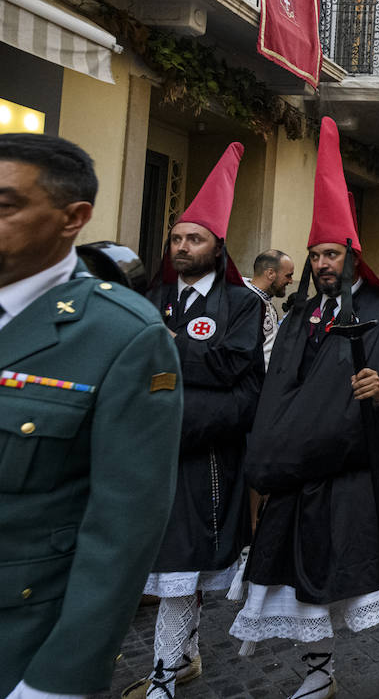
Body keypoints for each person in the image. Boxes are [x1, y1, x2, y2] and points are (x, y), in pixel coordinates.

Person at [229, 118, 379, 697]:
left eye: (332, 254)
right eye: (315, 255)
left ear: (353, 254)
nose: (323, 264)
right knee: (309, 583)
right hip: (306, 473)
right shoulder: (299, 316)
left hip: (367, 468)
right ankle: (320, 675)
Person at [0, 133, 182, 699]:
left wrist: (60, 678)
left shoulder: (122, 335)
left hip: (19, 634)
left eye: (6, 205)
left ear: (72, 218)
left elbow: (122, 529)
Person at [124, 143, 266, 699]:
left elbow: (237, 369)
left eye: (194, 239)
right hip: (144, 455)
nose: (182, 247)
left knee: (184, 565)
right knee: (153, 563)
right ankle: (185, 657)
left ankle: (164, 677)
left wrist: (165, 350)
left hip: (207, 459)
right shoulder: (151, 294)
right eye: (177, 239)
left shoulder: (241, 304)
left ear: (216, 246)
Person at [245, 249, 294, 368]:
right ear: (270, 274)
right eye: (288, 276)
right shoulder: (244, 302)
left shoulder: (266, 301)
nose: (291, 281)